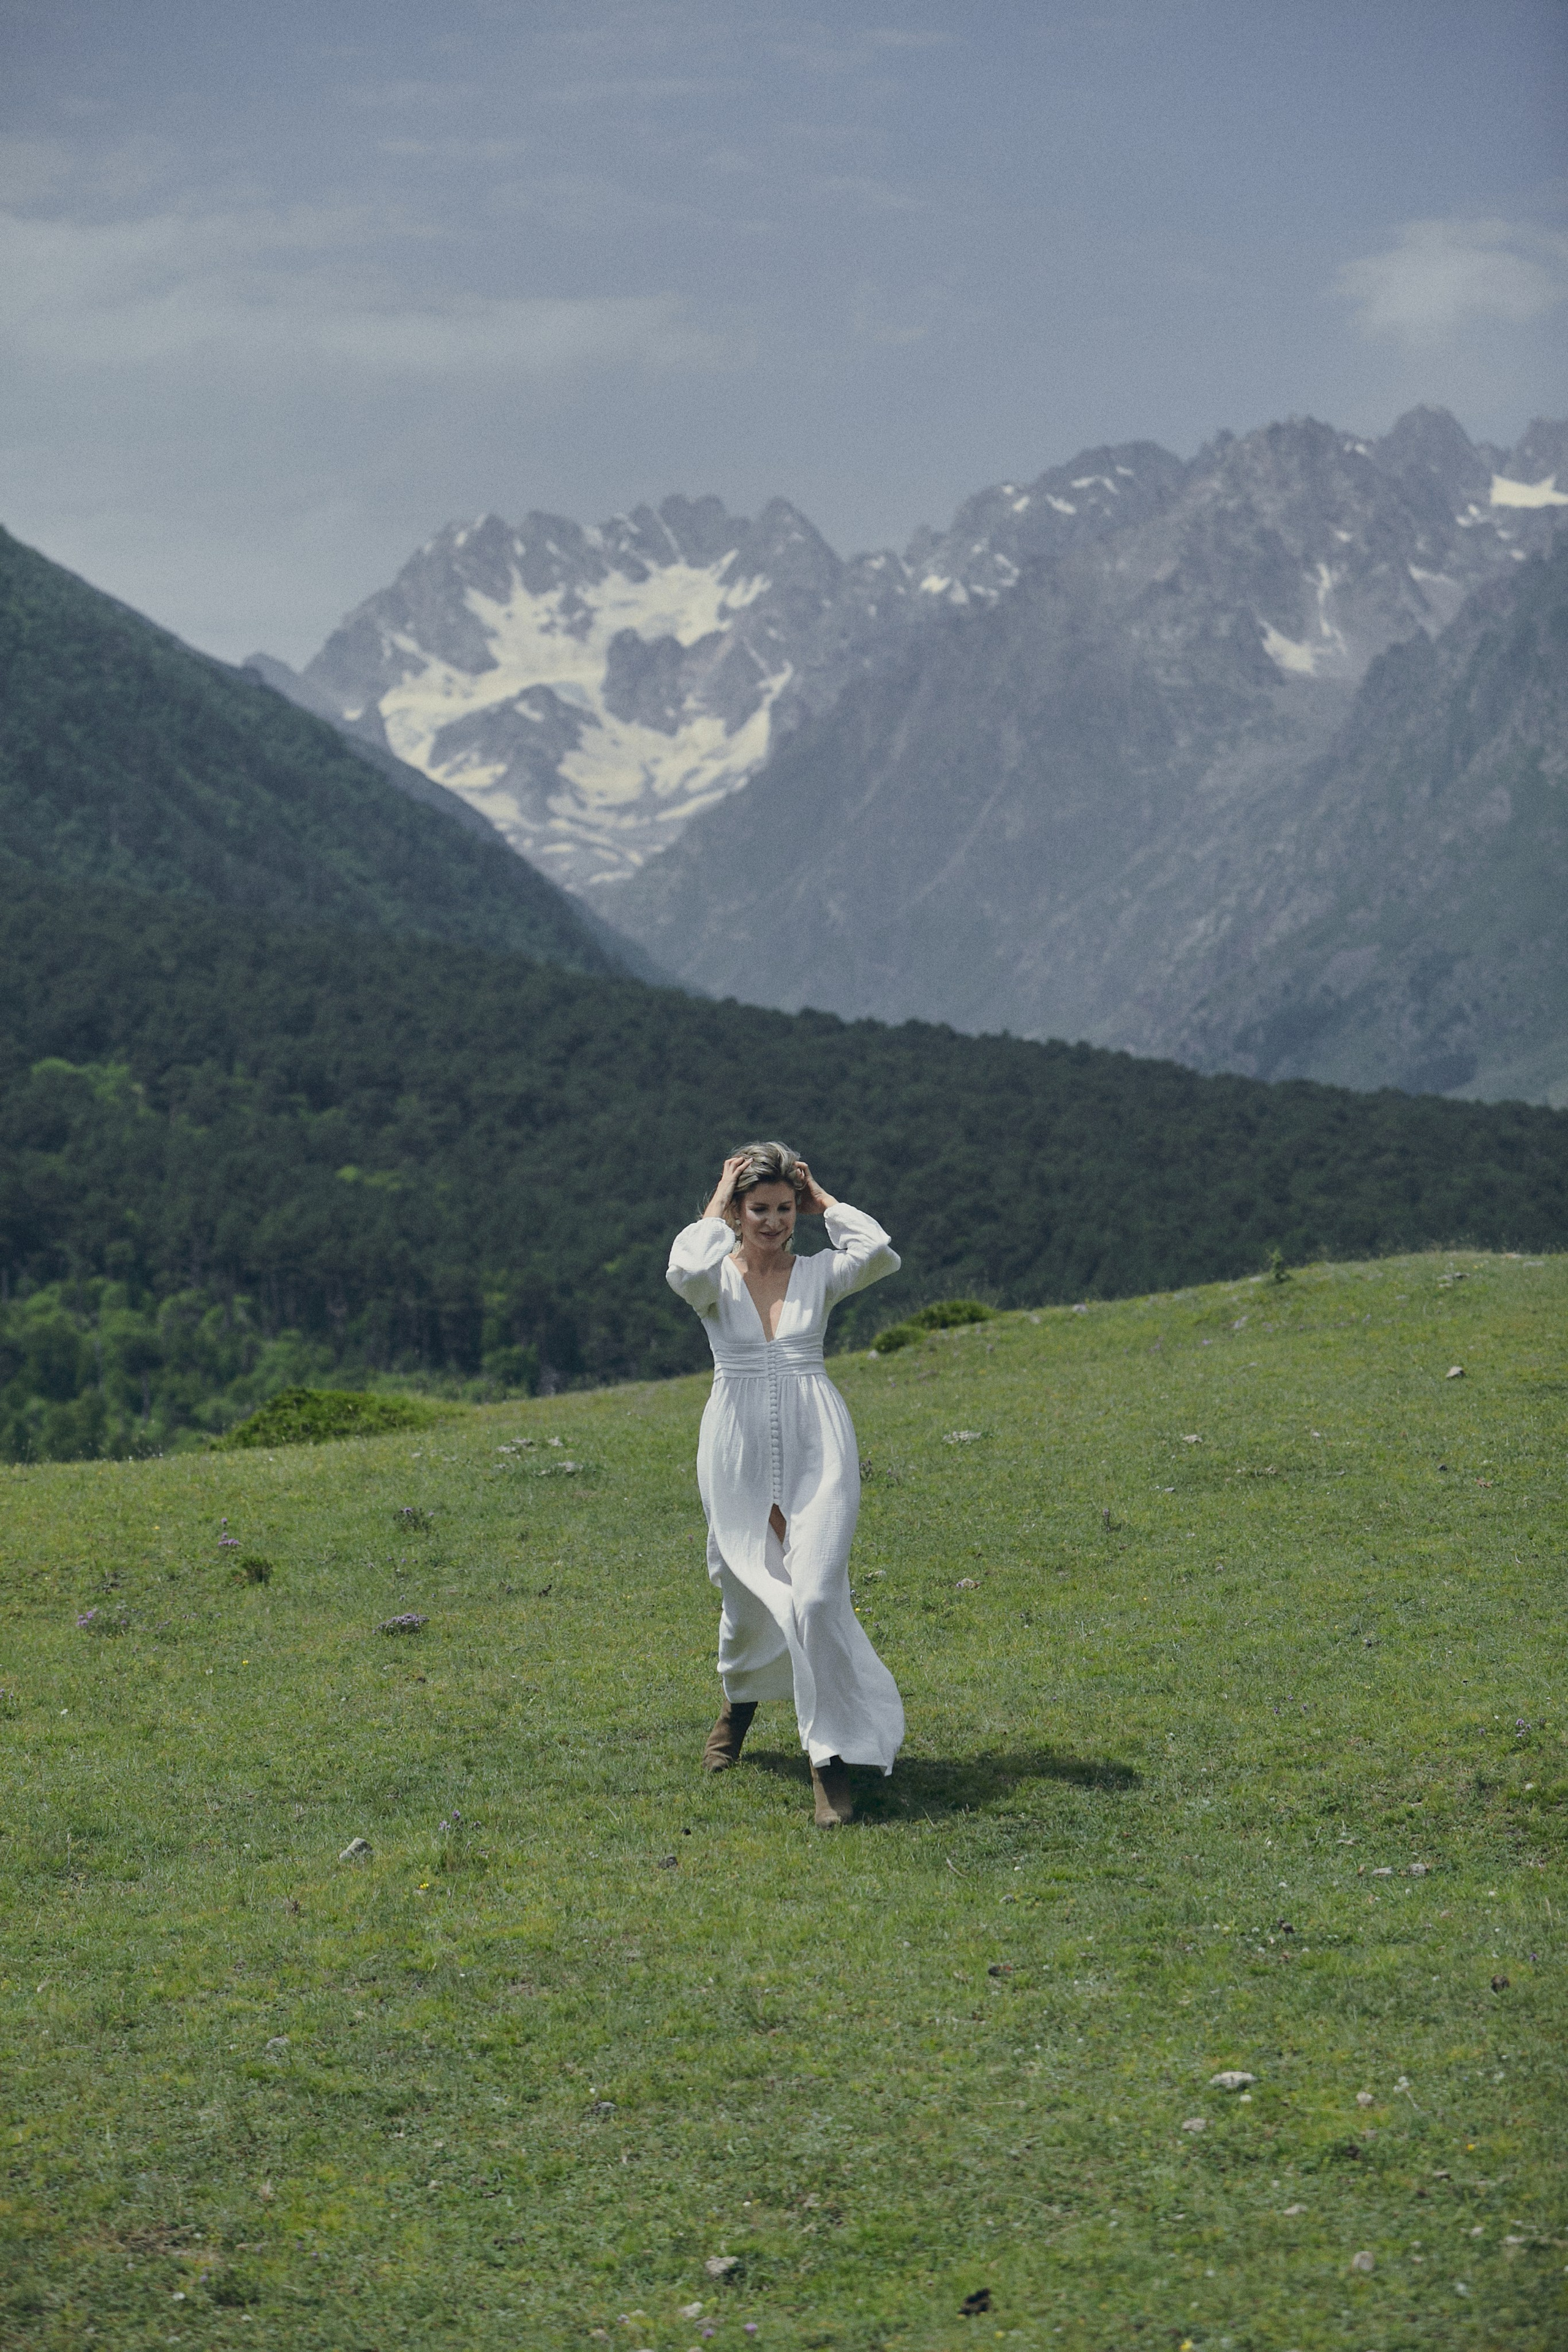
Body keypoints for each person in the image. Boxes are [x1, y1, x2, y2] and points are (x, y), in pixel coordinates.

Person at [665, 1142, 905, 1826]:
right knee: (748, 1594)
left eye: (783, 1209)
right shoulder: (713, 1280)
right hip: (735, 1450)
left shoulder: (819, 1273)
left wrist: (822, 1199)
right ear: (737, 1213)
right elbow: (683, 1269)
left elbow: (878, 1251)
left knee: (818, 1593)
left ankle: (829, 1761)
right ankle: (738, 1707)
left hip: (818, 1445)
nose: (773, 1222)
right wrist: (719, 1197)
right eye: (758, 1210)